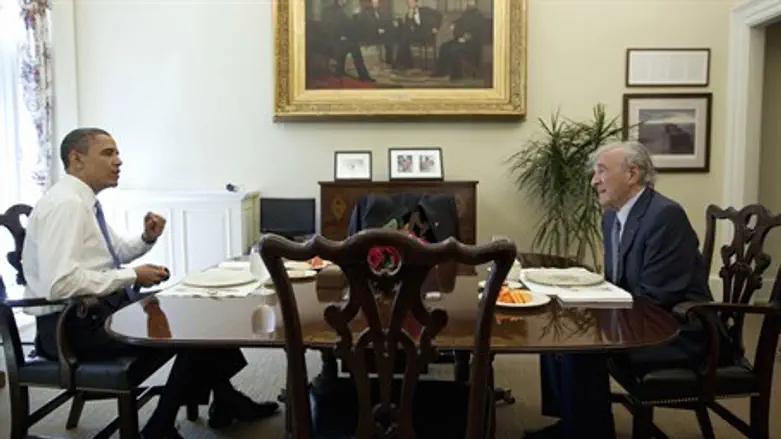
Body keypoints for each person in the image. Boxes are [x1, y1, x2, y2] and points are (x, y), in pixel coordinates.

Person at [22, 128, 279, 439]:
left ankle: (226, 401)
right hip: (70, 330)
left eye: (117, 153)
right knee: (193, 330)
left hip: (96, 312)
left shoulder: (84, 202)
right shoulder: (66, 205)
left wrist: (147, 237)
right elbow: (59, 284)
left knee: (200, 305)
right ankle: (162, 426)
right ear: (77, 159)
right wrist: (133, 275)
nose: (118, 161)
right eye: (108, 154)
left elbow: (114, 253)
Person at [531, 140, 716, 439]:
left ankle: (589, 433)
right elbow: (618, 284)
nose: (594, 180)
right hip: (641, 316)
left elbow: (657, 297)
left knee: (578, 344)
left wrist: (594, 315)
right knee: (557, 326)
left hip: (677, 330)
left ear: (632, 174)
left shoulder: (665, 216)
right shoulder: (611, 217)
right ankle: (570, 424)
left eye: (601, 171)